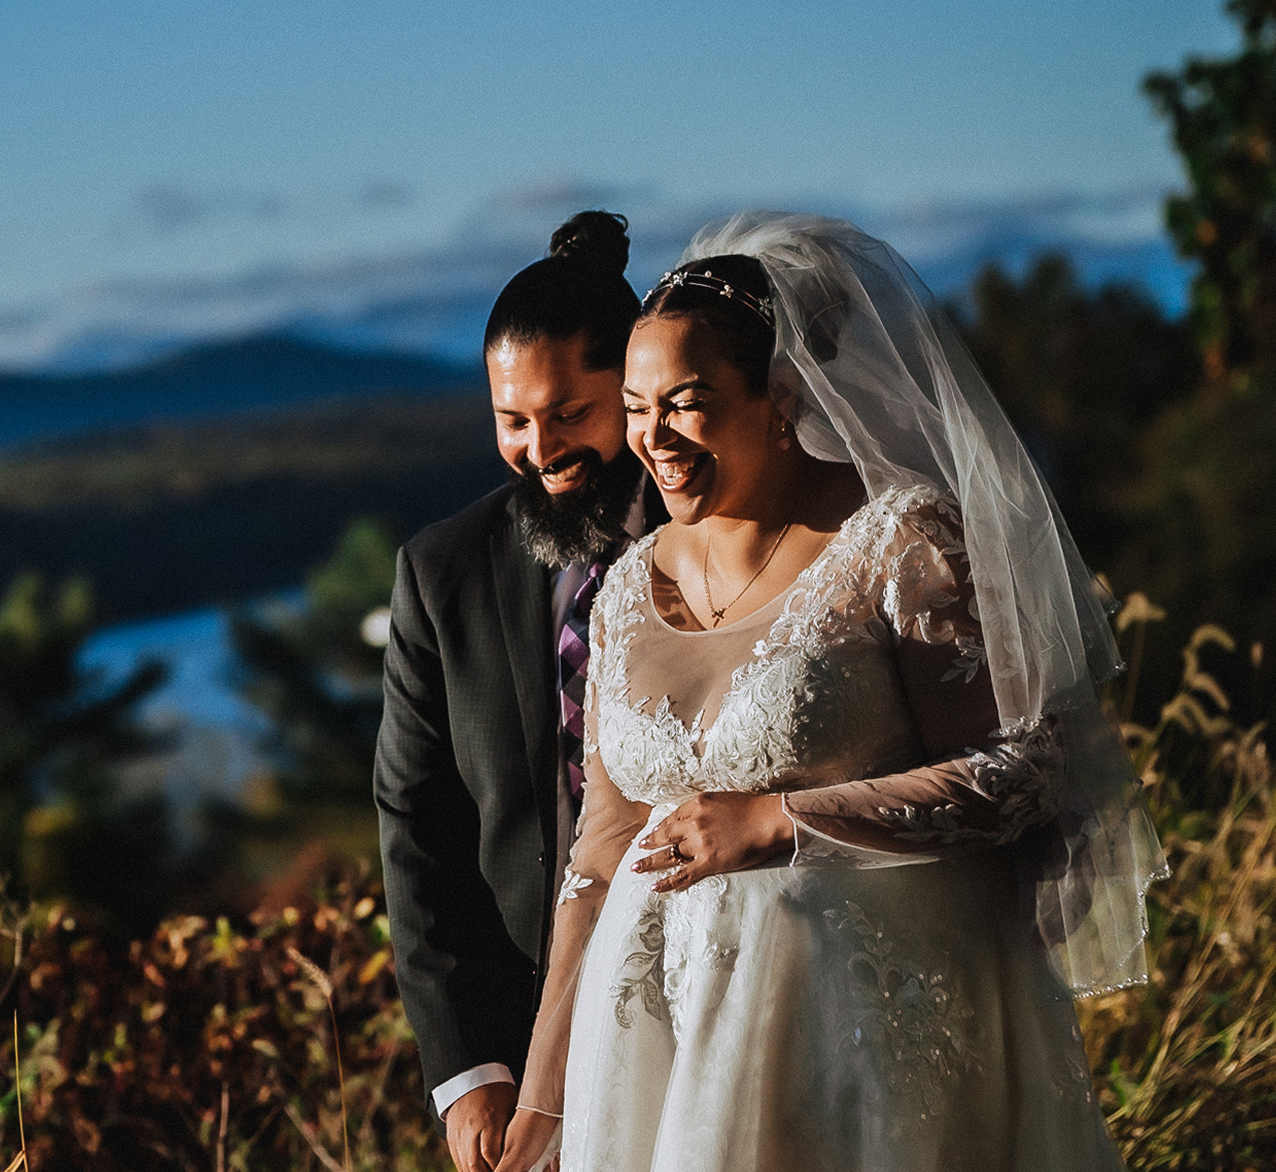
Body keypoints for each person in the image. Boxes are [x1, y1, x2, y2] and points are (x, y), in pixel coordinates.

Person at [493, 213, 1164, 1172]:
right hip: (655, 1068)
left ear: (781, 398)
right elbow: (599, 855)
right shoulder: (624, 592)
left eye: (687, 402)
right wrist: (547, 1089)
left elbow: (1024, 769)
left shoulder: (897, 542)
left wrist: (782, 820)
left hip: (864, 1055)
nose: (654, 438)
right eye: (636, 408)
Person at [376, 211, 665, 1172]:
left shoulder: (718, 535)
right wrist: (467, 1067)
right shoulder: (441, 571)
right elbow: (415, 822)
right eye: (512, 421)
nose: (540, 449)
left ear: (630, 389)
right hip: (522, 1043)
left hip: (716, 995)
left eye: (569, 414)